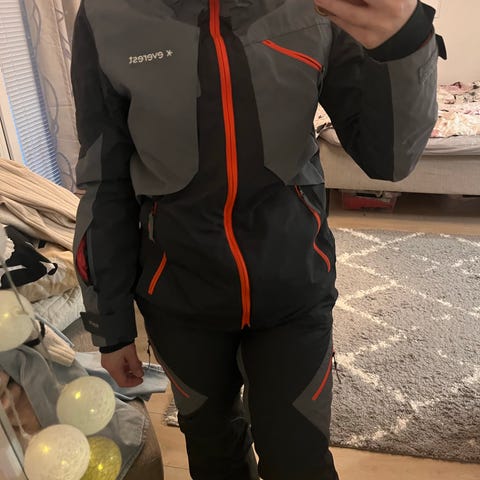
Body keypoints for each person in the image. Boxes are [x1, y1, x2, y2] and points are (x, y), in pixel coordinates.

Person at [71, 1, 445, 478]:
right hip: (179, 300)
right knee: (214, 455)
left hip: (294, 290)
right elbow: (104, 181)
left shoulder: (317, 6)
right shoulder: (107, 14)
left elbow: (389, 160)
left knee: (300, 463)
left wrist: (405, 43)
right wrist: (110, 327)